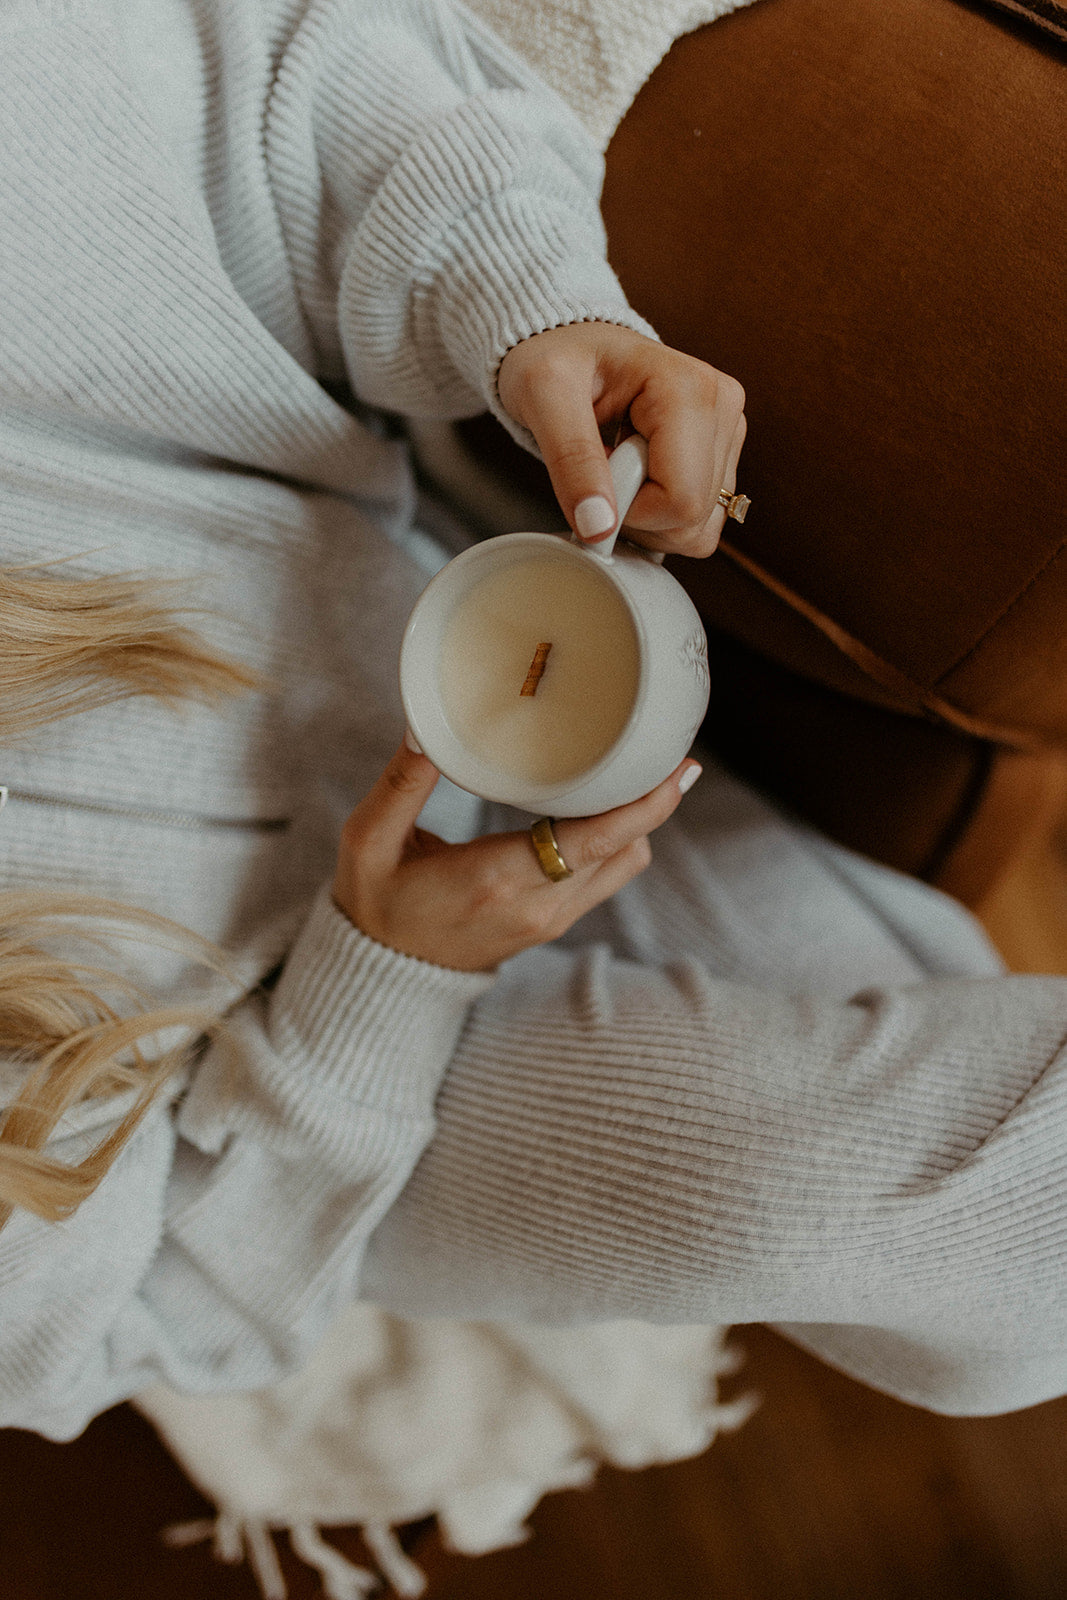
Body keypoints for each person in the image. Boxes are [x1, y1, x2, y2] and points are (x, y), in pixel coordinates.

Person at [2, 0, 1067, 1463]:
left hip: (423, 641)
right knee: (999, 1252)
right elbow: (128, 1318)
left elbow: (292, 81)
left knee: (946, 1087)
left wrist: (528, 306)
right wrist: (378, 992)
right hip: (294, 1099)